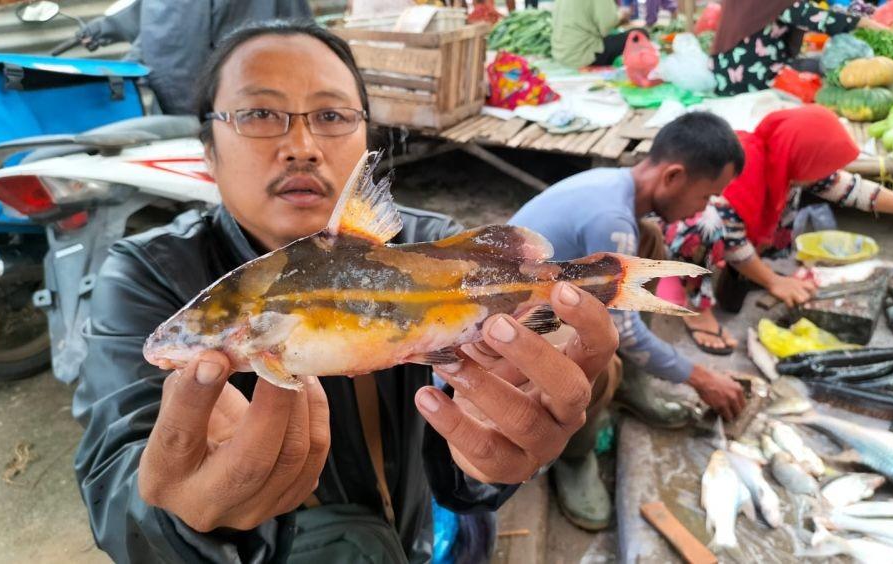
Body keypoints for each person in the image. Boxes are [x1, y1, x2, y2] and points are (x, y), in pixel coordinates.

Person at [71, 20, 621, 562]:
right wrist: (181, 521)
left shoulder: (432, 245)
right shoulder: (146, 273)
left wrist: (515, 438)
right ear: (207, 150)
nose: (302, 145)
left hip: (414, 532)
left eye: (331, 115)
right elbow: (115, 477)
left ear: (366, 136)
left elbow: (463, 472)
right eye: (259, 113)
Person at [508, 112, 747, 530]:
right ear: (673, 176)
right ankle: (573, 454)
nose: (704, 208)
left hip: (541, 298)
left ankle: (633, 387)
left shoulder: (617, 187)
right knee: (607, 356)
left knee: (647, 243)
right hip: (505, 333)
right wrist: (701, 378)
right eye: (707, 196)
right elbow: (629, 334)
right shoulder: (611, 218)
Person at [663, 105, 893, 354]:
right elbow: (730, 237)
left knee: (787, 198)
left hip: (734, 231)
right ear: (805, 156)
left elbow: (856, 190)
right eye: (823, 165)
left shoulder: (786, 158)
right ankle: (697, 308)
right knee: (701, 227)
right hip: (684, 228)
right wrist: (774, 282)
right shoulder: (742, 168)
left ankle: (750, 270)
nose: (829, 175)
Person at [74, 0, 314, 115]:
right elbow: (153, 15)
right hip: (192, 103)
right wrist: (103, 29)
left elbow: (174, 44)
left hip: (224, 104)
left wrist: (197, 119)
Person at [711, 0, 885, 96]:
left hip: (725, 75)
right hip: (751, 79)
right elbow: (815, 18)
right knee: (823, 69)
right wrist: (864, 23)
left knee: (815, 62)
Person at [551, 0, 637, 68]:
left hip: (561, 53)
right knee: (638, 34)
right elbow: (607, 25)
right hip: (583, 55)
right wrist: (621, 15)